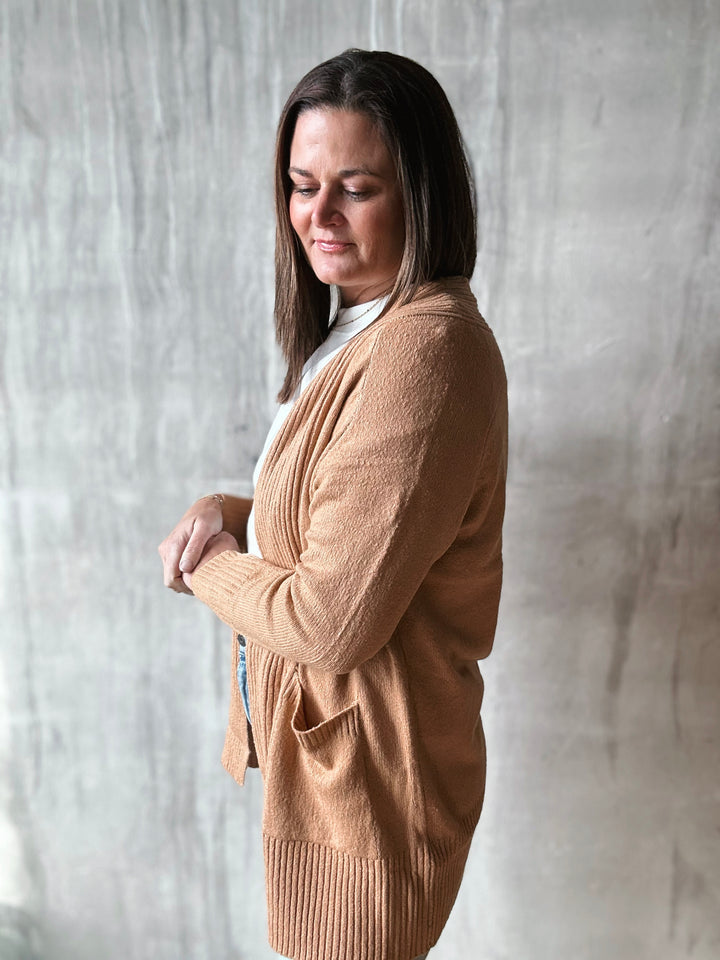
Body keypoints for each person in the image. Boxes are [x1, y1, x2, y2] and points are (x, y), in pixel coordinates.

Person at [158, 49, 507, 960]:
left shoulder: (424, 353)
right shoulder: (359, 325)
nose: (317, 216)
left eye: (355, 187)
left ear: (420, 193)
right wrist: (225, 509)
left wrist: (209, 571)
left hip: (372, 796)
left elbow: (329, 621)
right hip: (330, 776)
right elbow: (329, 510)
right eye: (301, 184)